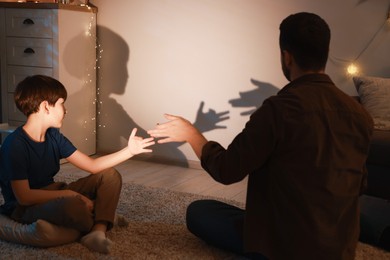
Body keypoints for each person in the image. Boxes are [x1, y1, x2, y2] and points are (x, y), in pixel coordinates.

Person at [148, 12, 373, 260]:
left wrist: (191, 134)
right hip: (338, 247)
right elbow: (360, 185)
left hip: (284, 245)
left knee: (199, 212)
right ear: (325, 52)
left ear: (286, 57)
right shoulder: (360, 114)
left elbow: (227, 169)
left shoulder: (279, 109)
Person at [0, 75, 155, 254]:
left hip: (55, 192)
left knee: (110, 175)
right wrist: (69, 194)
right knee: (72, 206)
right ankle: (104, 216)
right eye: (61, 104)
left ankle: (97, 231)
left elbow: (92, 165)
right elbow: (24, 197)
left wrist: (129, 151)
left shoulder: (53, 137)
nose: (65, 110)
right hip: (25, 208)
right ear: (45, 106)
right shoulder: (15, 144)